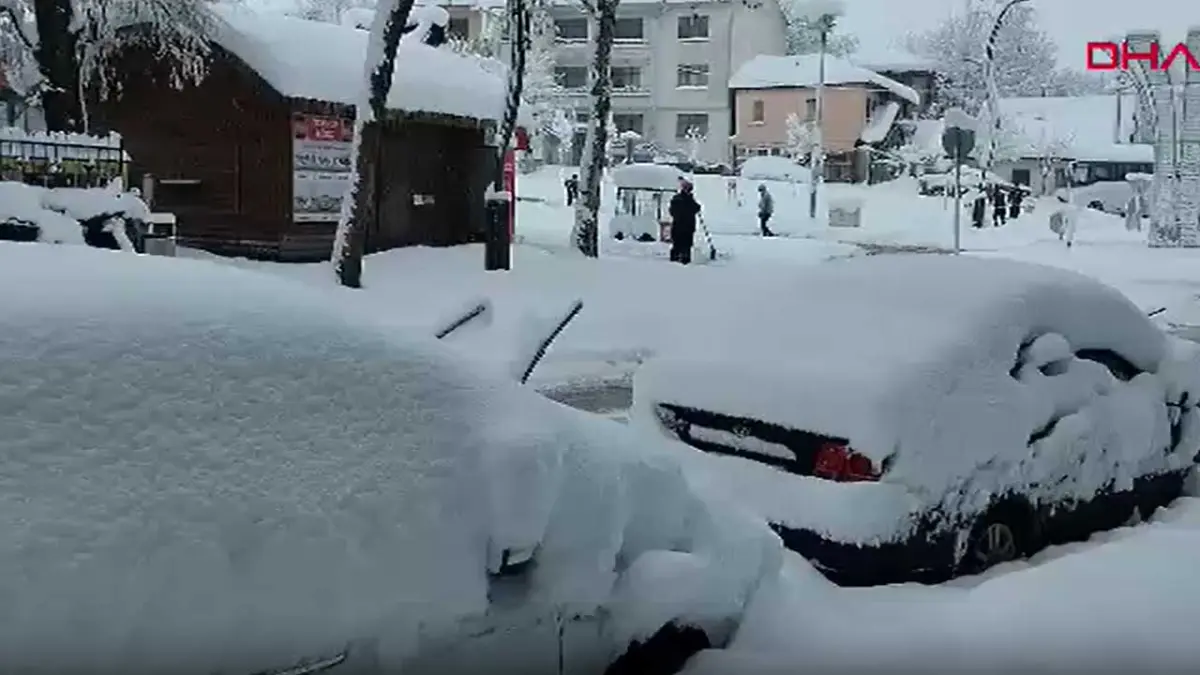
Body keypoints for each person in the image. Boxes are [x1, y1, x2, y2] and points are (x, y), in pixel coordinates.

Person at [669, 180, 701, 265]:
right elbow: (673, 211)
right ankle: (675, 261)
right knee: (678, 244)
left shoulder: (690, 199)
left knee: (686, 245)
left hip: (688, 227)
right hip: (679, 226)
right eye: (687, 188)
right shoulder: (678, 199)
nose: (689, 190)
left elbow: (696, 208)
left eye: (690, 189)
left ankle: (685, 260)